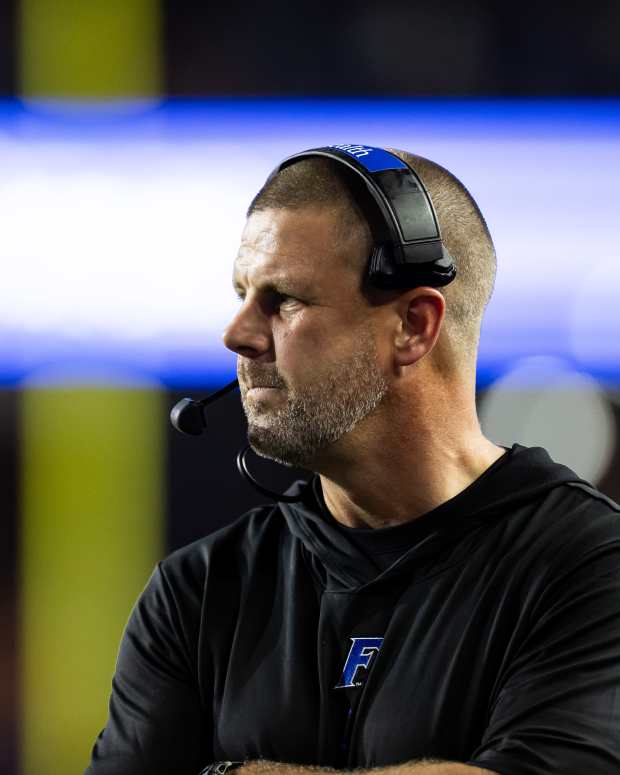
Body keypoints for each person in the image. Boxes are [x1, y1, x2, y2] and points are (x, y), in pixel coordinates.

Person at [85, 146, 620, 775]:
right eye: (242, 293)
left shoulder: (589, 566)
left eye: (283, 299)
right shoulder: (197, 591)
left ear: (414, 327)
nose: (237, 332)